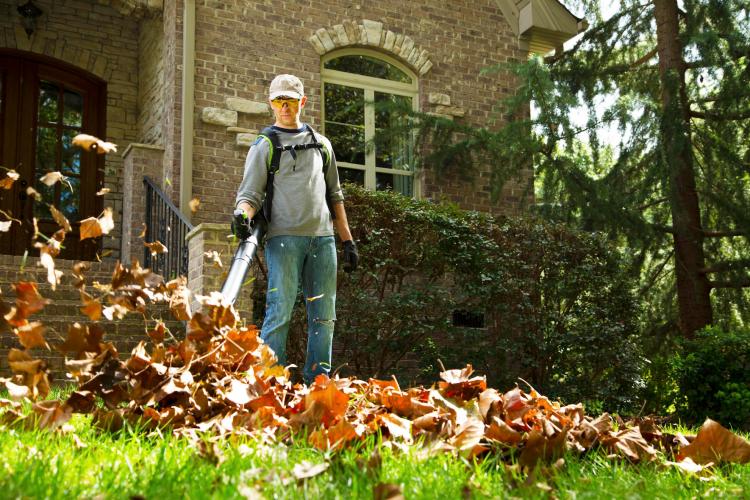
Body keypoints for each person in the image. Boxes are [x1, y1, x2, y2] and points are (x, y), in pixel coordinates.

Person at [234, 74, 358, 384]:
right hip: (284, 240)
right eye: (278, 101)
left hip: (323, 241)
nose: (284, 107)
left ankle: (318, 383)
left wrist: (347, 241)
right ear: (271, 104)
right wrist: (241, 214)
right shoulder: (265, 145)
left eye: (290, 101)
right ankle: (270, 382)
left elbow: (335, 195)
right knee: (279, 312)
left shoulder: (321, 144)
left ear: (302, 102)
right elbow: (250, 195)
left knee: (324, 317)